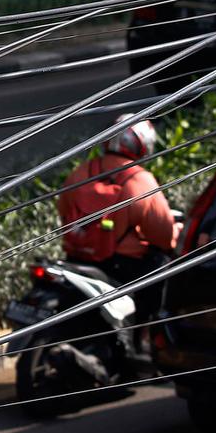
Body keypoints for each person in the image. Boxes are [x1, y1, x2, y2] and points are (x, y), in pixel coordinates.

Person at [57, 114, 181, 325]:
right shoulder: (140, 180)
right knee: (162, 265)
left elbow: (63, 211)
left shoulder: (81, 172)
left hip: (76, 257)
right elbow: (163, 236)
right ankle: (144, 330)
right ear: (143, 144)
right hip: (121, 267)